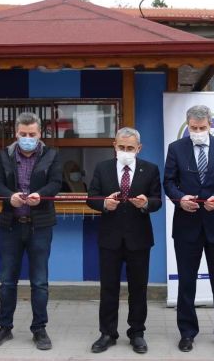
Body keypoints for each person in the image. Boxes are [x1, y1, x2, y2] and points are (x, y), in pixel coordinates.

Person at [163, 104, 214, 353]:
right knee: (186, 282)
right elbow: (168, 182)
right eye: (193, 128)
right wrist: (180, 199)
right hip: (186, 225)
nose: (197, 132)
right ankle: (187, 333)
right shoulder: (176, 148)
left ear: (210, 125)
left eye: (201, 128)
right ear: (187, 126)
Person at [0, 112, 62, 350]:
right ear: (16, 133)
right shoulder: (4, 154)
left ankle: (39, 328)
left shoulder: (52, 154)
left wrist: (42, 194)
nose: (27, 138)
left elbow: (56, 183)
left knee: (39, 282)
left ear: (40, 133)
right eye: (23, 134)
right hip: (11, 225)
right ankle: (4, 327)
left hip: (40, 226)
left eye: (32, 134)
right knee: (7, 281)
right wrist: (10, 196)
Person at [86, 127, 162, 354]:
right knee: (108, 289)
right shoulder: (103, 168)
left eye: (130, 148)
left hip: (139, 239)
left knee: (138, 289)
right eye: (121, 147)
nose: (125, 151)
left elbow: (157, 200)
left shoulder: (150, 169)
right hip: (110, 239)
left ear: (139, 148)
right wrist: (103, 203)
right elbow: (91, 197)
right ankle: (107, 333)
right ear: (114, 146)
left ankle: (137, 333)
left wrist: (146, 203)